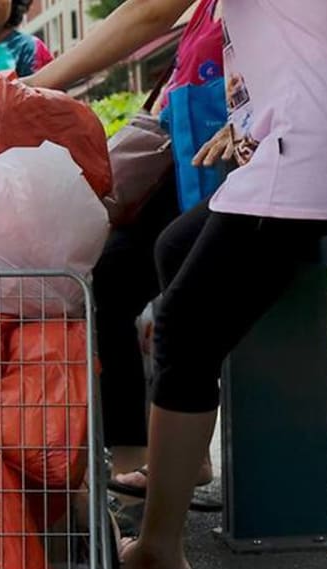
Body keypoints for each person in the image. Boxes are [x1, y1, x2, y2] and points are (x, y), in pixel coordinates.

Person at [28, 0, 327, 569]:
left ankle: (158, 553)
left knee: (185, 324)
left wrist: (30, 87)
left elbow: (149, 11)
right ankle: (188, 457)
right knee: (176, 245)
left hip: (315, 161)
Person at [96, 0, 225, 509]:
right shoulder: (205, 13)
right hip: (191, 163)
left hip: (229, 165)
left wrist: (43, 81)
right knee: (129, 285)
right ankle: (152, 462)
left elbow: (146, 13)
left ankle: (161, 465)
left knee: (174, 303)